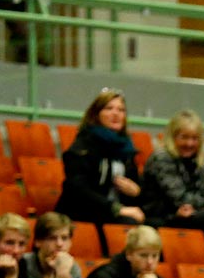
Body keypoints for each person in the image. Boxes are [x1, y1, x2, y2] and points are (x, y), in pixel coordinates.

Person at [55, 88, 145, 224]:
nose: (116, 114)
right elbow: (78, 189)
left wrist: (137, 192)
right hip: (85, 213)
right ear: (96, 114)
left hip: (115, 213)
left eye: (121, 110)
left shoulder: (126, 149)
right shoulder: (83, 146)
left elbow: (136, 191)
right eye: (109, 108)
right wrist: (116, 208)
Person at [140, 109, 204, 231]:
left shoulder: (199, 160)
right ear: (173, 137)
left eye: (194, 138)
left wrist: (201, 204)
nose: (189, 143)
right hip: (161, 217)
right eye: (184, 137)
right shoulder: (162, 158)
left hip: (188, 213)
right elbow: (180, 198)